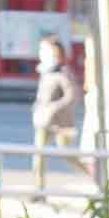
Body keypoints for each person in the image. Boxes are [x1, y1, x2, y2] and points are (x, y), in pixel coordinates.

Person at [32, 37, 87, 190]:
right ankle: (39, 189)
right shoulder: (45, 71)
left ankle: (94, 177)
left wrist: (53, 107)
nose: (42, 54)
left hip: (61, 122)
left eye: (45, 50)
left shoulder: (63, 72)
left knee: (68, 155)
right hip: (44, 121)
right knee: (38, 156)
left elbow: (72, 95)